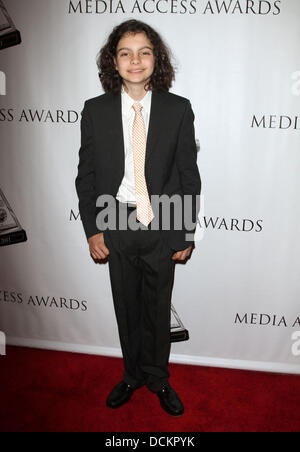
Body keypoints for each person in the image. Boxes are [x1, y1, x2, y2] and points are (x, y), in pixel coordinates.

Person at [75, 19, 201, 417]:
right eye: (125, 52)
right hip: (116, 219)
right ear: (113, 61)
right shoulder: (95, 111)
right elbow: (88, 175)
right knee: (126, 306)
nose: (135, 60)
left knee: (157, 305)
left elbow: (187, 175)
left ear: (155, 59)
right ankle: (131, 374)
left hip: (163, 220)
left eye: (144, 51)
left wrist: (184, 232)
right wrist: (93, 227)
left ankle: (158, 377)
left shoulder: (178, 109)